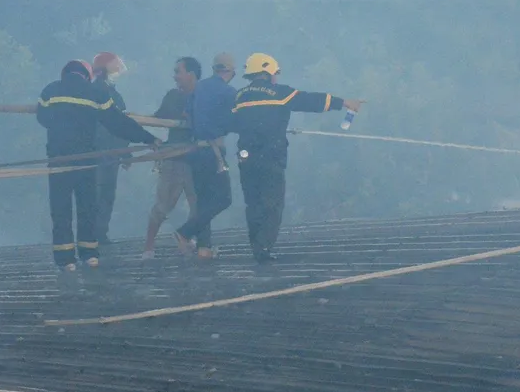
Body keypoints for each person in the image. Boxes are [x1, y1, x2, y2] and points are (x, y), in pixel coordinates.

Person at [232, 53, 363, 263]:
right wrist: (345, 102)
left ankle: (256, 246)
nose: (276, 78)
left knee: (253, 204)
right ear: (267, 73)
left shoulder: (239, 97)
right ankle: (263, 249)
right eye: (275, 74)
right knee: (272, 204)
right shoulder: (280, 93)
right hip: (271, 157)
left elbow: (235, 122)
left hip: (246, 158)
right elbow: (310, 100)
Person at [37, 59, 160, 271]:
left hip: (58, 158)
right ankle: (89, 254)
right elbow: (118, 123)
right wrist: (149, 138)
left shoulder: (50, 90)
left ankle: (66, 259)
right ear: (87, 75)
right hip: (86, 158)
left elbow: (42, 117)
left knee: (60, 208)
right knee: (87, 206)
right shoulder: (95, 93)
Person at [174, 53, 237, 260]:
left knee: (204, 201)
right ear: (230, 72)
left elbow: (187, 114)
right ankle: (185, 232)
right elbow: (236, 119)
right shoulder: (228, 92)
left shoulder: (199, 88)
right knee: (223, 199)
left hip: (197, 151)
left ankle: (204, 248)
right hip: (213, 151)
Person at [143, 57, 200, 259]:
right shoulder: (172, 96)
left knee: (199, 206)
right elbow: (158, 118)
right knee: (162, 207)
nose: (175, 76)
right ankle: (148, 249)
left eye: (178, 71)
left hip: (198, 160)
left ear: (191, 74)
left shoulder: (203, 95)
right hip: (174, 159)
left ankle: (194, 241)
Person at [90, 52, 130, 244]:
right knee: (98, 195)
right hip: (99, 151)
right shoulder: (96, 90)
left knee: (107, 195)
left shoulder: (112, 92)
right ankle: (93, 235)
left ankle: (100, 234)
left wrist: (125, 150)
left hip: (111, 152)